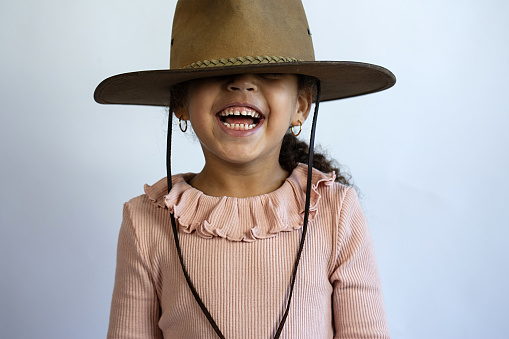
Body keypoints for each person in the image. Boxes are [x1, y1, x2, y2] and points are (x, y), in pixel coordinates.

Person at [94, 0, 395, 338]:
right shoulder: (145, 221)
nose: (242, 85)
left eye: (269, 73)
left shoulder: (336, 212)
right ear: (180, 103)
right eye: (217, 72)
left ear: (300, 106)